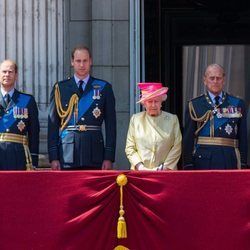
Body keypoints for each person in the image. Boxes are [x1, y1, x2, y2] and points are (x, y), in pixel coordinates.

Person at [48, 46, 116, 170]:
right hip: (67, 153)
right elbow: (52, 125)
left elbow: (111, 126)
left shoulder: (104, 88)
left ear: (91, 61)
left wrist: (109, 157)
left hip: (95, 153)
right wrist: (54, 156)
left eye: (85, 61)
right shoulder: (60, 88)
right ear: (72, 62)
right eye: (78, 61)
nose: (82, 65)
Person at [183, 63, 248, 170]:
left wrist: (244, 162)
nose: (215, 81)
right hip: (202, 161)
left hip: (229, 160)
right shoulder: (194, 104)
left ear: (224, 80)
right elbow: (188, 138)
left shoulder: (237, 103)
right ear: (205, 80)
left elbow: (243, 136)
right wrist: (188, 164)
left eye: (218, 78)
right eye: (211, 78)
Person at [125, 82, 182, 170]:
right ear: (144, 103)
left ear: (161, 102)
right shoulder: (135, 120)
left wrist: (165, 167)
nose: (153, 105)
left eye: (156, 101)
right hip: (140, 173)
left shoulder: (172, 119)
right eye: (149, 101)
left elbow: (177, 146)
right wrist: (140, 167)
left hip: (167, 173)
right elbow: (130, 148)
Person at [0, 59, 40, 170]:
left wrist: (34, 159)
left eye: (10, 72)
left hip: (18, 155)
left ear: (16, 75)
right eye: (4, 72)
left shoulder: (27, 100)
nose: (7, 75)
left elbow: (34, 132)